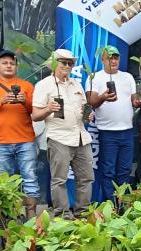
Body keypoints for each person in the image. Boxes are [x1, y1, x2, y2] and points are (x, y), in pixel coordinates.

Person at [32, 49, 94, 219]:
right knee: (59, 180)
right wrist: (48, 109)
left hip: (81, 136)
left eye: (70, 63)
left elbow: (84, 110)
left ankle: (82, 214)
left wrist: (88, 115)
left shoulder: (76, 84)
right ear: (53, 64)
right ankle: (63, 216)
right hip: (59, 137)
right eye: (63, 62)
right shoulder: (44, 85)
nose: (67, 66)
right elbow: (35, 115)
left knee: (87, 178)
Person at [0, 50, 39, 218]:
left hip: (26, 139)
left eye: (12, 63)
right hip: (0, 141)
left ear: (16, 66)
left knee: (30, 177)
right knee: (6, 180)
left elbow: (35, 110)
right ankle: (11, 217)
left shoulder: (26, 85)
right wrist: (1, 101)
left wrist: (24, 101)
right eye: (4, 63)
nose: (9, 66)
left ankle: (31, 217)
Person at [87, 45, 140, 202]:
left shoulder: (128, 77)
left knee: (125, 170)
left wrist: (140, 101)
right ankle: (109, 204)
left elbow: (134, 101)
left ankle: (121, 203)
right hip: (107, 132)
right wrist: (103, 97)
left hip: (128, 131)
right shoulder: (95, 78)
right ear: (102, 59)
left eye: (116, 57)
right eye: (109, 57)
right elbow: (91, 102)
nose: (113, 60)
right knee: (108, 170)